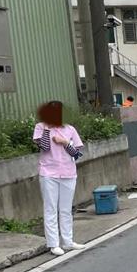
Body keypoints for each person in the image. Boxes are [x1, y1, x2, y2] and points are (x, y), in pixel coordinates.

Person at [32, 101, 85, 256]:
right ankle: (53, 244)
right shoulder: (40, 127)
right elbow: (44, 147)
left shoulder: (70, 129)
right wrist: (48, 129)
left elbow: (76, 154)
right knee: (50, 209)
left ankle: (68, 241)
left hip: (68, 172)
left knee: (66, 209)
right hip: (49, 172)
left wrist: (65, 142)